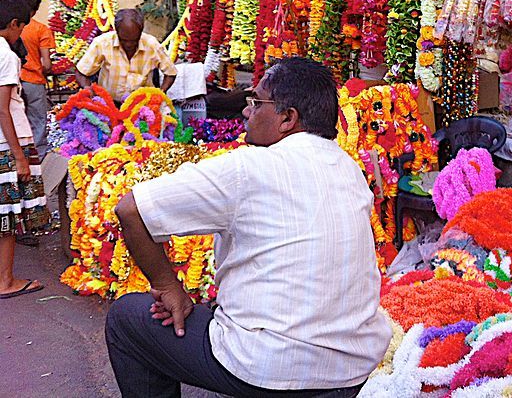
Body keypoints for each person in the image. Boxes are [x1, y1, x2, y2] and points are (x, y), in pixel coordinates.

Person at [106, 57, 391, 397]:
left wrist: (168, 287)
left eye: (256, 103)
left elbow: (130, 209)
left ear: (287, 118)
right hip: (352, 370)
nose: (245, 112)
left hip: (268, 367)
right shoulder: (349, 168)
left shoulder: (249, 166)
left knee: (126, 318)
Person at [0, 0, 50, 299]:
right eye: (22, 28)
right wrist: (19, 156)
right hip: (8, 143)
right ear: (14, 24)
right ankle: (5, 281)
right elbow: (3, 109)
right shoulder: (6, 56)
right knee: (6, 215)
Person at [75, 8, 178, 103]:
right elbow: (81, 72)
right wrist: (88, 89)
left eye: (134, 41)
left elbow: (171, 73)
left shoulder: (151, 44)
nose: (129, 45)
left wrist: (161, 93)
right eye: (124, 40)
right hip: (109, 104)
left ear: (140, 33)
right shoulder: (102, 43)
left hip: (142, 105)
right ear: (117, 31)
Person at [18, 0, 55, 160]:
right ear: (36, 8)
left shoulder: (10, 26)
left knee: (16, 120)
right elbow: (46, 63)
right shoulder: (41, 29)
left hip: (13, 81)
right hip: (34, 82)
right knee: (38, 122)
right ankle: (38, 160)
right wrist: (46, 69)